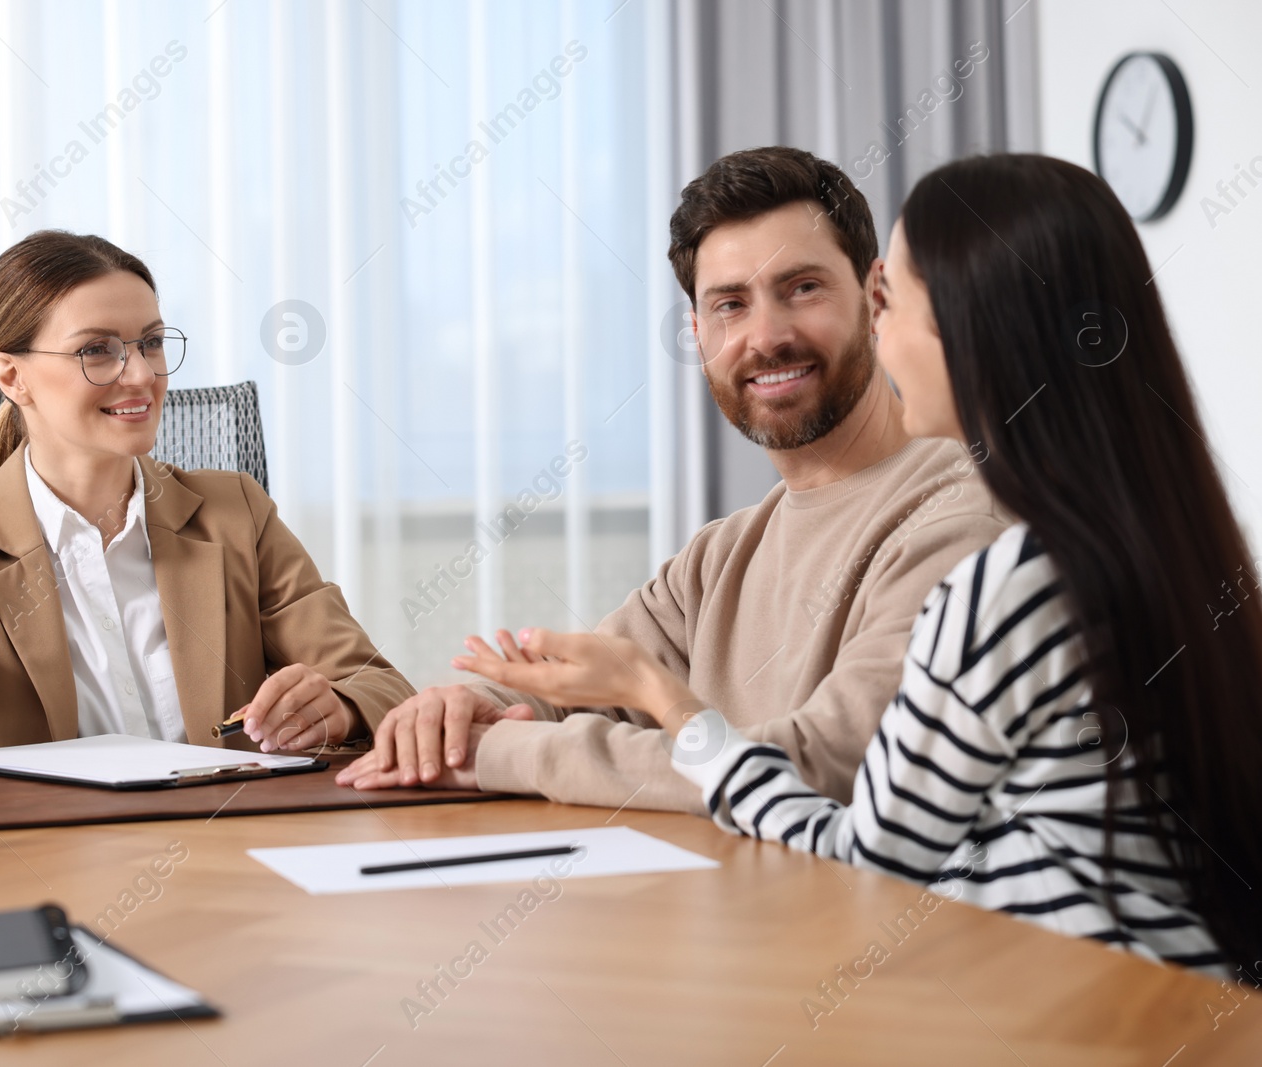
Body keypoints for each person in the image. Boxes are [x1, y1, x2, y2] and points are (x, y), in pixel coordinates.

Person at [448, 153, 1262, 988]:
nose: (881, 333)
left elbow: (861, 844)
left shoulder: (998, 566)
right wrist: (470, 710)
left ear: (972, 330)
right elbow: (564, 676)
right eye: (729, 304)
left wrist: (657, 703)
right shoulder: (1147, 529)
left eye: (889, 302)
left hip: (1088, 1018)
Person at [338, 146, 1009, 808]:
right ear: (696, 331)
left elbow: (824, 764)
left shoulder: (962, 521)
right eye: (730, 305)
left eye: (802, 288)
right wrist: (456, 714)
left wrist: (501, 753)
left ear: (875, 297)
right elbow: (570, 682)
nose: (766, 335)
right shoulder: (718, 559)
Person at [0, 230, 412, 766]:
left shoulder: (234, 512)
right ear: (12, 376)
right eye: (98, 350)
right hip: (47, 860)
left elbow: (380, 686)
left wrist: (337, 708)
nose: (141, 373)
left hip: (223, 844)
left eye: (152, 343)